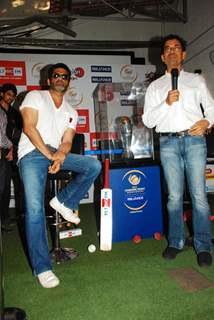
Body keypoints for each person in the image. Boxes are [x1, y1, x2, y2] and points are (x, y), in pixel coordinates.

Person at [18, 63, 101, 288]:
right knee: (34, 210)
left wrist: (59, 156)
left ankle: (63, 201)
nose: (60, 79)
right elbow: (29, 127)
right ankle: (43, 268)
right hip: (32, 153)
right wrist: (50, 155)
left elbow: (66, 142)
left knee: (93, 166)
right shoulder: (35, 96)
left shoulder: (71, 112)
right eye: (56, 75)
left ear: (69, 81)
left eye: (65, 76)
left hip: (55, 152)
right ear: (49, 79)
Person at [143, 34, 214, 267]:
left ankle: (203, 245)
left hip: (194, 142)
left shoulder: (196, 80)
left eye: (177, 48)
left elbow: (211, 108)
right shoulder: (155, 86)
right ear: (163, 57)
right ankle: (175, 242)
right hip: (168, 144)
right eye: (168, 49)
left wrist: (207, 122)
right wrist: (166, 102)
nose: (172, 51)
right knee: (174, 198)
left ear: (183, 54)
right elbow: (148, 121)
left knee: (199, 196)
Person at [0, 84, 22, 229]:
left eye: (13, 95)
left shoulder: (14, 112)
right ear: (2, 93)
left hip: (11, 152)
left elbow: (19, 133)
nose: (11, 97)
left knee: (8, 187)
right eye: (8, 94)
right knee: (1, 187)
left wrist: (12, 149)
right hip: (2, 150)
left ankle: (5, 219)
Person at [0, 95, 13, 233]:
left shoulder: (3, 113)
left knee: (4, 189)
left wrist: (11, 147)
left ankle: (3, 220)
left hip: (3, 154)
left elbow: (2, 135)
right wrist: (10, 145)